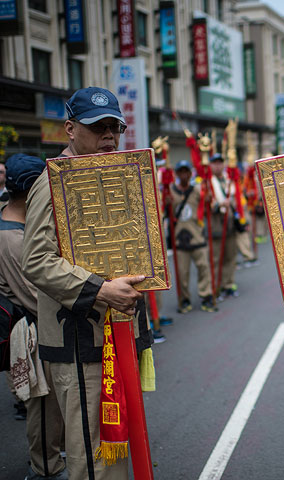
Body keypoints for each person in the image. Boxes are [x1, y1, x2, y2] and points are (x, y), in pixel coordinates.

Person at [21, 86, 153, 480]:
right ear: (70, 129)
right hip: (79, 339)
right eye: (98, 128)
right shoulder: (52, 181)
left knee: (117, 446)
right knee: (94, 457)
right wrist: (101, 289)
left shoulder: (107, 173)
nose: (109, 137)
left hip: (114, 335)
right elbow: (37, 259)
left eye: (115, 127)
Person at [1, 154, 67, 479]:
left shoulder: (14, 225)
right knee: (44, 405)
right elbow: (36, 293)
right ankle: (46, 468)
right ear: (31, 190)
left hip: (35, 323)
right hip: (32, 328)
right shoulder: (13, 240)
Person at [171, 159, 215, 313]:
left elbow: (208, 201)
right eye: (181, 172)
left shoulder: (197, 190)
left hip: (197, 237)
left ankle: (206, 296)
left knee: (204, 268)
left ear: (190, 174)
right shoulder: (170, 192)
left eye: (186, 172)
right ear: (177, 174)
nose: (184, 175)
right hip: (180, 239)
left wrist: (208, 195)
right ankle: (185, 299)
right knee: (182, 273)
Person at [210, 153, 239, 300]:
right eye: (214, 163)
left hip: (230, 225)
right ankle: (216, 287)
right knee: (216, 259)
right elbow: (204, 203)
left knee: (230, 257)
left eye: (220, 162)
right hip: (215, 225)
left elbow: (237, 199)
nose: (217, 165)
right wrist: (219, 204)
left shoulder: (229, 180)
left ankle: (229, 284)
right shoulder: (206, 182)